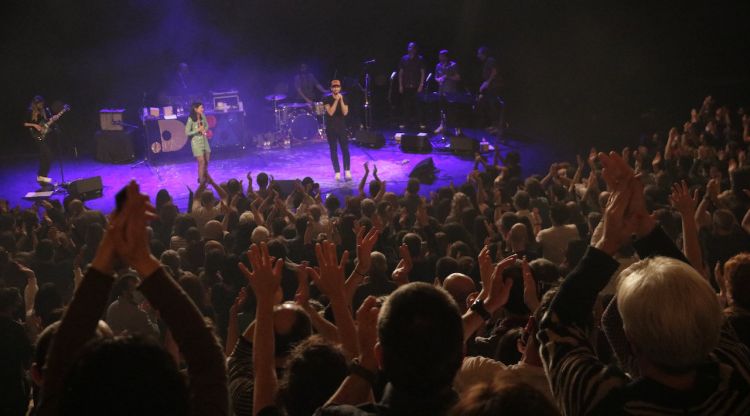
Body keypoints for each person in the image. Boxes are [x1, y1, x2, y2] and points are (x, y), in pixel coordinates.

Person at [323, 80, 350, 182]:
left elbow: (345, 112)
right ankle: (337, 172)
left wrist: (341, 100)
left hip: (342, 127)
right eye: (334, 87)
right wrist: (336, 101)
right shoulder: (326, 99)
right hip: (331, 128)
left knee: (345, 149)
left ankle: (347, 170)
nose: (336, 88)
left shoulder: (345, 98)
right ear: (331, 88)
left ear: (340, 88)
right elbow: (330, 112)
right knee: (333, 150)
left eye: (337, 86)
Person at [23, 96, 54, 186]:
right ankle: (41, 176)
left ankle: (43, 176)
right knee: (47, 155)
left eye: (42, 104)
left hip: (44, 135)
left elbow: (46, 123)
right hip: (35, 136)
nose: (41, 105)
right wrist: (34, 125)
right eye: (39, 104)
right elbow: (24, 123)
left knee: (45, 156)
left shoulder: (44, 111)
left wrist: (52, 120)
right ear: (35, 104)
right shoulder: (29, 111)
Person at [398, 42, 426, 130]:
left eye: (412, 47)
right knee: (406, 105)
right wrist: (400, 85)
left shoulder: (420, 59)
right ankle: (406, 123)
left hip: (416, 85)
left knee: (418, 106)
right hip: (406, 85)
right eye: (409, 47)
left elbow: (422, 72)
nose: (411, 49)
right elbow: (401, 73)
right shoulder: (404, 58)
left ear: (415, 49)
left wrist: (421, 84)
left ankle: (420, 123)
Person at [476, 46, 503, 133]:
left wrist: (488, 82)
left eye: (479, 53)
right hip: (490, 87)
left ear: (483, 54)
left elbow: (494, 71)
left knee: (494, 106)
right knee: (491, 107)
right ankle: (493, 125)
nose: (478, 55)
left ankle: (497, 127)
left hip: (494, 87)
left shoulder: (490, 60)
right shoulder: (486, 62)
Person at [434, 50, 462, 135]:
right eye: (439, 56)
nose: (440, 58)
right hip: (441, 91)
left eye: (441, 56)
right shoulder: (438, 66)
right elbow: (436, 77)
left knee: (453, 111)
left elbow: (458, 78)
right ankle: (442, 126)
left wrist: (447, 77)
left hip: (451, 92)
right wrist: (438, 80)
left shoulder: (453, 65)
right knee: (442, 110)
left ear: (446, 57)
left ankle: (457, 128)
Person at [185, 102, 212, 183]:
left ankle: (204, 176)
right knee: (201, 162)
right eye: (201, 108)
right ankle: (201, 181)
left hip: (204, 140)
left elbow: (207, 125)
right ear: (195, 109)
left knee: (206, 161)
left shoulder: (202, 115)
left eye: (202, 107)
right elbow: (187, 132)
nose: (202, 109)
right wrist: (198, 130)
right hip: (196, 142)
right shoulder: (190, 119)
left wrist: (204, 129)